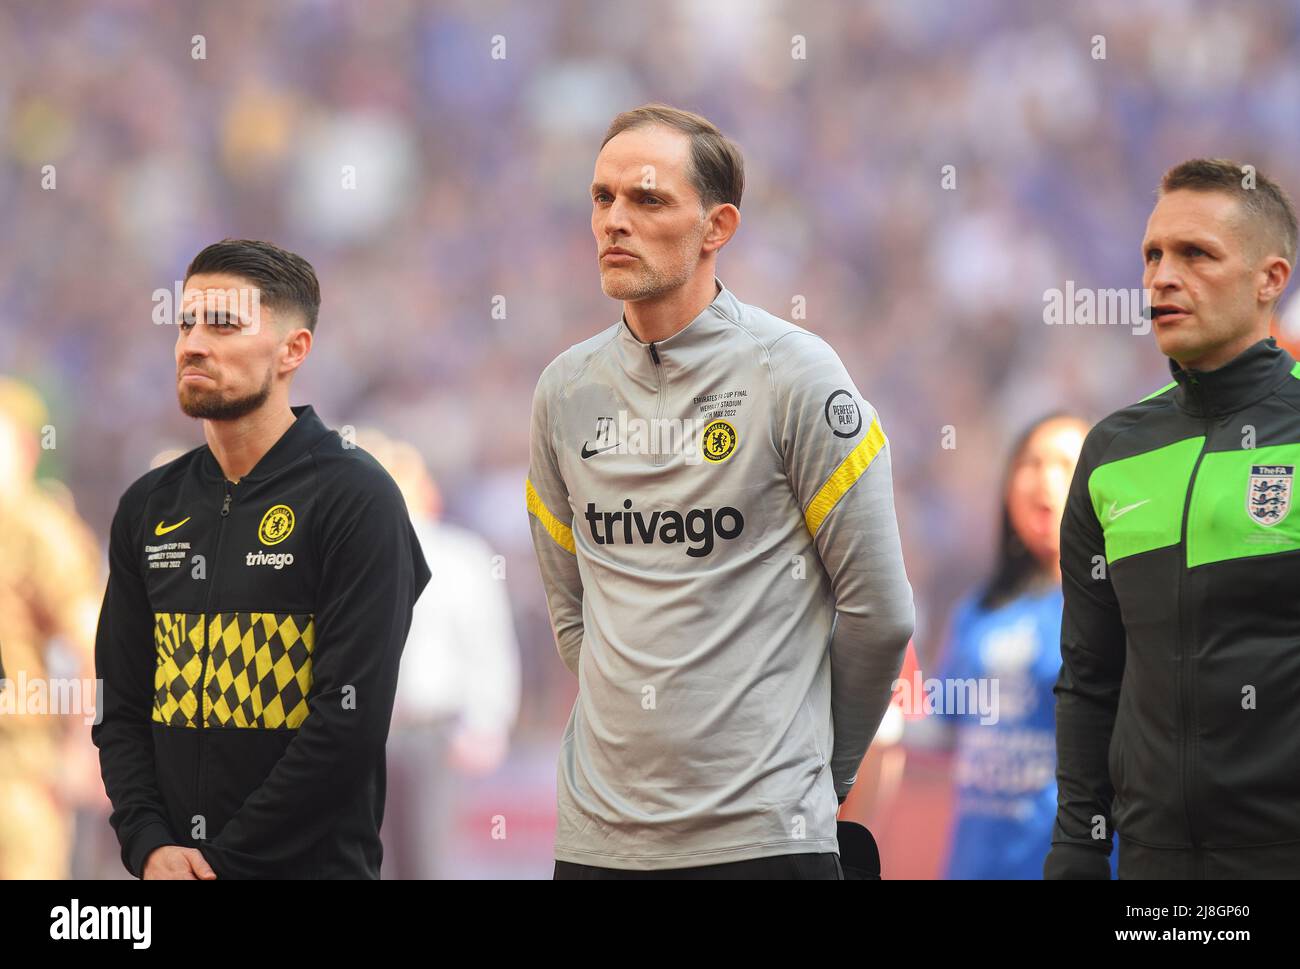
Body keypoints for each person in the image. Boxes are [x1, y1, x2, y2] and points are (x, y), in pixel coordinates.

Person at [525, 104, 914, 879]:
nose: (614, 221)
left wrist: (812, 779)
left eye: (648, 200)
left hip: (766, 840)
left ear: (717, 226)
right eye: (602, 199)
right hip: (598, 844)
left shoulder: (795, 374)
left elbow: (882, 614)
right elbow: (576, 616)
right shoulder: (563, 391)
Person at [92, 239, 430, 879]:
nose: (193, 342)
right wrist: (148, 844)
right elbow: (122, 706)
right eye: (186, 321)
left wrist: (222, 863)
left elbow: (346, 723)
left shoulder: (356, 498)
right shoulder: (147, 505)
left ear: (293, 350)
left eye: (222, 324)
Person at [1047, 159, 1300, 879]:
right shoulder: (1112, 451)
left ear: (1270, 279)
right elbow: (1091, 676)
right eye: (1152, 255)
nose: (1161, 275)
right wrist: (1078, 843)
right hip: (1154, 867)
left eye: (1196, 254)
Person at [935, 413, 1120, 879]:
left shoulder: (1118, 605)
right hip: (972, 864)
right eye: (1030, 463)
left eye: (1063, 464)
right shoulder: (978, 610)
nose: (1044, 480)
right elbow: (941, 725)